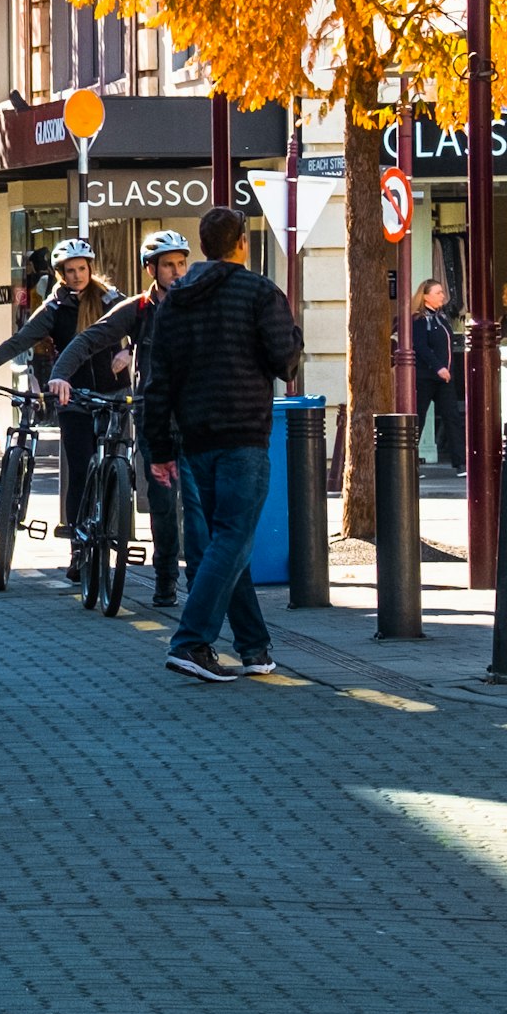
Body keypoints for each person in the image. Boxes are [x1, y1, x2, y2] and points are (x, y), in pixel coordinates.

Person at [138, 205, 301, 683]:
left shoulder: (175, 301)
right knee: (232, 537)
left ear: (203, 247)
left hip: (195, 437)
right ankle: (191, 642)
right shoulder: (259, 292)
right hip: (244, 432)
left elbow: (157, 381)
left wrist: (160, 448)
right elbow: (284, 361)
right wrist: (292, 337)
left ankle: (253, 646)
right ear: (242, 243)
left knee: (227, 541)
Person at [60, 231, 194, 606]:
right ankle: (166, 582)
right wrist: (59, 373)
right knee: (164, 507)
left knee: (197, 508)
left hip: (199, 420)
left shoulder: (200, 304)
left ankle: (198, 585)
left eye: (182, 263)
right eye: (168, 264)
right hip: (156, 423)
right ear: (151, 269)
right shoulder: (138, 308)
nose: (177, 271)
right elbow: (89, 339)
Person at [0, 235, 116, 551]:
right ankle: (78, 548)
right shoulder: (55, 308)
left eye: (82, 269)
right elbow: (20, 341)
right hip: (72, 397)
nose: (77, 275)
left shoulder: (111, 299)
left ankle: (112, 527)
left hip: (111, 395)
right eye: (70, 271)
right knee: (80, 470)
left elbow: (138, 325)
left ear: (90, 268)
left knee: (114, 465)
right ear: (60, 274)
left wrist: (128, 352)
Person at [407, 278, 462, 474]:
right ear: (426, 296)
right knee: (419, 418)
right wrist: (438, 367)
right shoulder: (420, 319)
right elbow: (421, 347)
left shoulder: (441, 318)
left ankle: (461, 463)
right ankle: (410, 464)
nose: (443, 296)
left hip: (444, 379)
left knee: (452, 417)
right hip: (425, 378)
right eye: (438, 292)